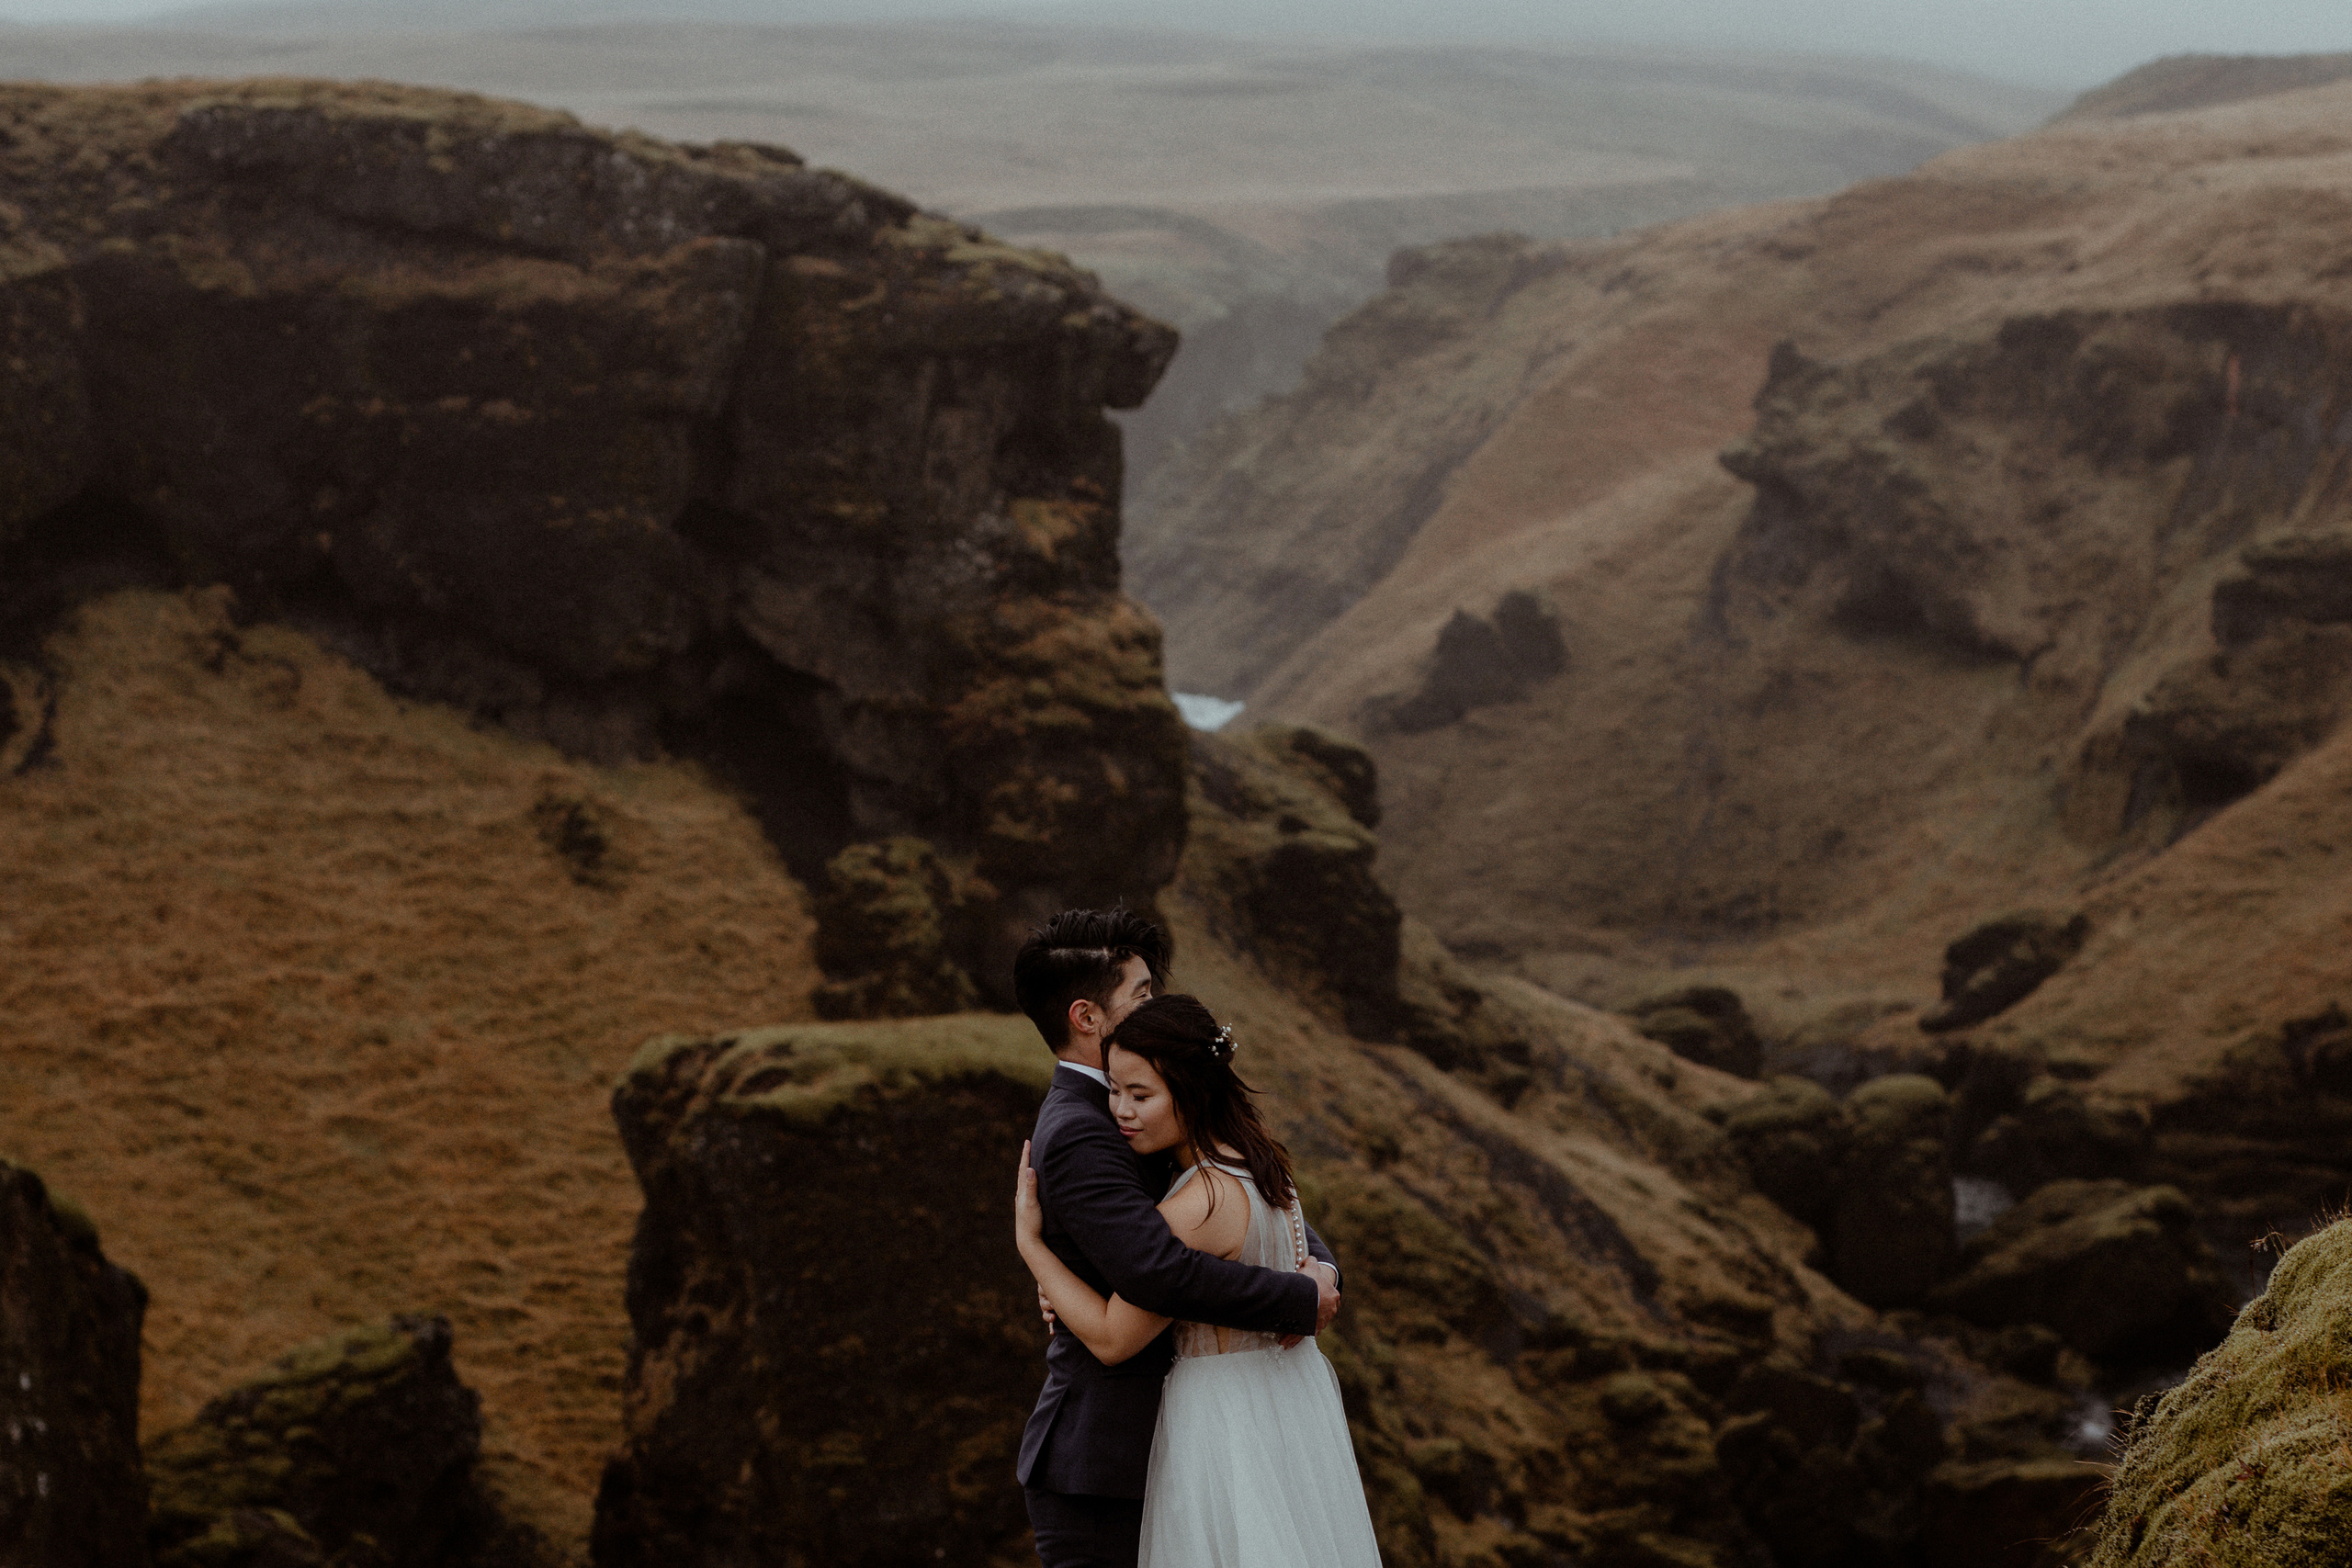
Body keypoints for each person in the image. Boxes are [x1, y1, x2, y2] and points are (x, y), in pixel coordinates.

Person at [1012, 909, 1343, 1568]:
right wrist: (1298, 1299)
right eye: (1140, 993)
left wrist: (1321, 1270)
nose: (1153, 1003)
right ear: (1087, 1016)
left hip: (1178, 1448)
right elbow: (1158, 1269)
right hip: (1105, 1461)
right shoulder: (1086, 1126)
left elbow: (1255, 1199)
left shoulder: (1144, 1106)